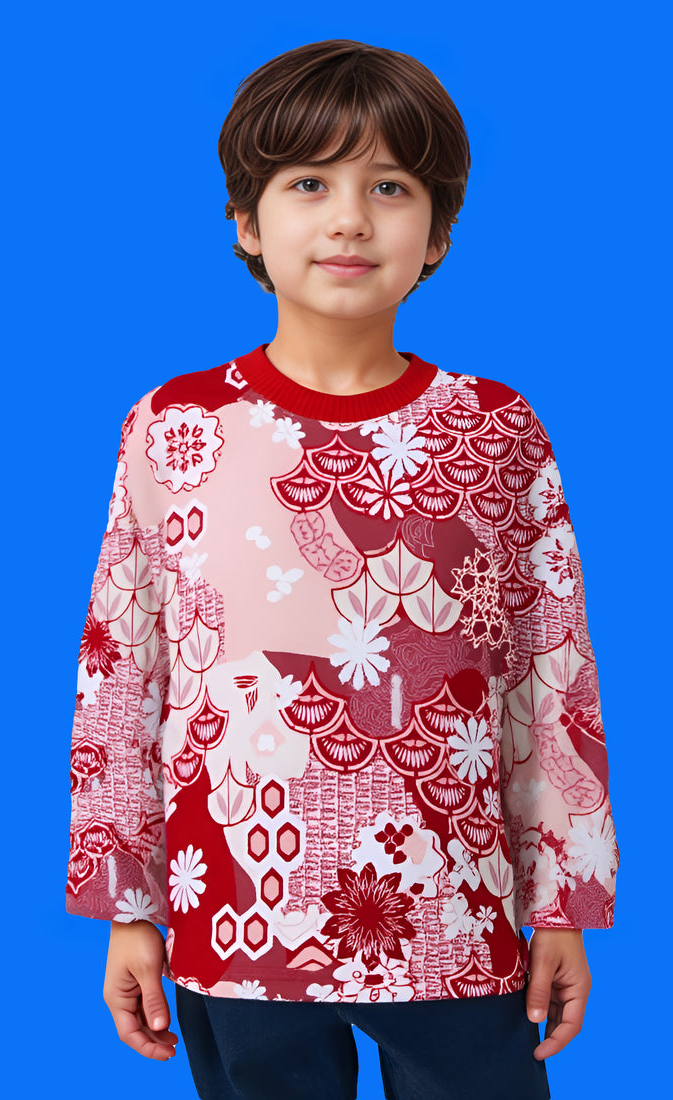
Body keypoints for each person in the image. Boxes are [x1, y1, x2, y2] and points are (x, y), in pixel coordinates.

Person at [67, 39, 619, 1100]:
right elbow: (121, 668)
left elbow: (550, 675)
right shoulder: (175, 428)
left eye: (390, 186)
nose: (350, 218)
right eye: (309, 183)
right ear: (246, 219)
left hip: (453, 913)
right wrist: (127, 908)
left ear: (439, 231)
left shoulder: (495, 431)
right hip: (235, 911)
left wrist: (562, 902)